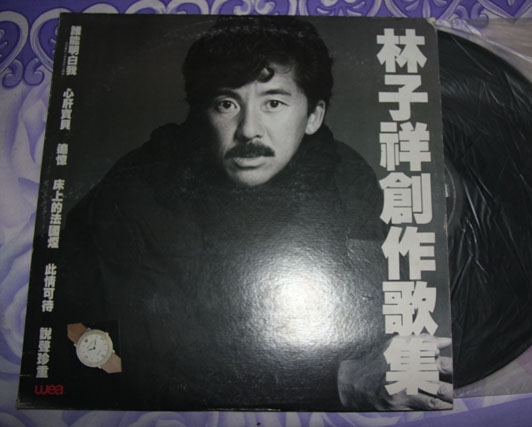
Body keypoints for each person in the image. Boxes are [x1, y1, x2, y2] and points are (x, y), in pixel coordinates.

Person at [58, 15, 451, 411]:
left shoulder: (344, 175)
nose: (249, 130)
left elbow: (371, 314)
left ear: (313, 116)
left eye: (273, 103)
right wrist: (340, 383)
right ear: (202, 113)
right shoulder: (134, 198)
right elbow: (148, 370)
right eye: (226, 104)